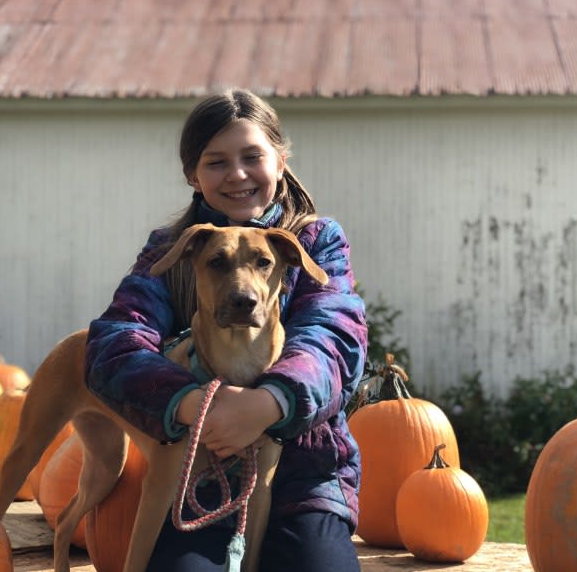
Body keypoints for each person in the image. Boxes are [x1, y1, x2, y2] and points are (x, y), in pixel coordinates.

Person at [84, 88, 367, 572]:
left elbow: (336, 338)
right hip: (198, 483)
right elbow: (115, 342)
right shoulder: (172, 253)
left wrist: (269, 403)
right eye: (216, 162)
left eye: (252, 157)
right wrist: (192, 404)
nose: (236, 174)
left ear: (279, 160)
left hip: (304, 485)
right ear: (192, 175)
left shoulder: (315, 241)